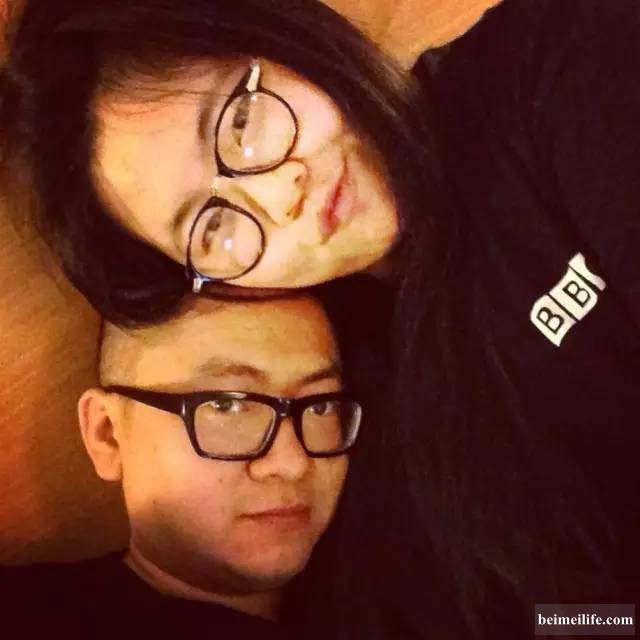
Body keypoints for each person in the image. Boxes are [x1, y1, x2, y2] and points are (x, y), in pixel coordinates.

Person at [3, 0, 638, 638]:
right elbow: (572, 618)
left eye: (243, 120)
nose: (279, 196)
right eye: (213, 226)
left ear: (284, 34)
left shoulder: (559, 68)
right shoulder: (338, 424)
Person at [0, 287, 370, 638]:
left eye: (320, 404)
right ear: (107, 434)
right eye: (226, 404)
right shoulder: (26, 617)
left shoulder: (379, 589)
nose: (292, 463)